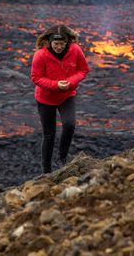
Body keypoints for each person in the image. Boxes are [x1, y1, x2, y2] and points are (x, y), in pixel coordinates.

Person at [30, 25, 90, 174]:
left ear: (67, 42)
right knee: (49, 134)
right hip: (46, 98)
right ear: (49, 42)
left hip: (67, 95)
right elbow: (36, 77)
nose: (59, 47)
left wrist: (70, 82)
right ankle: (47, 170)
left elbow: (83, 70)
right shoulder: (40, 55)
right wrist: (55, 85)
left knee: (69, 125)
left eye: (62, 44)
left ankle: (62, 158)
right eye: (56, 44)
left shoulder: (75, 50)